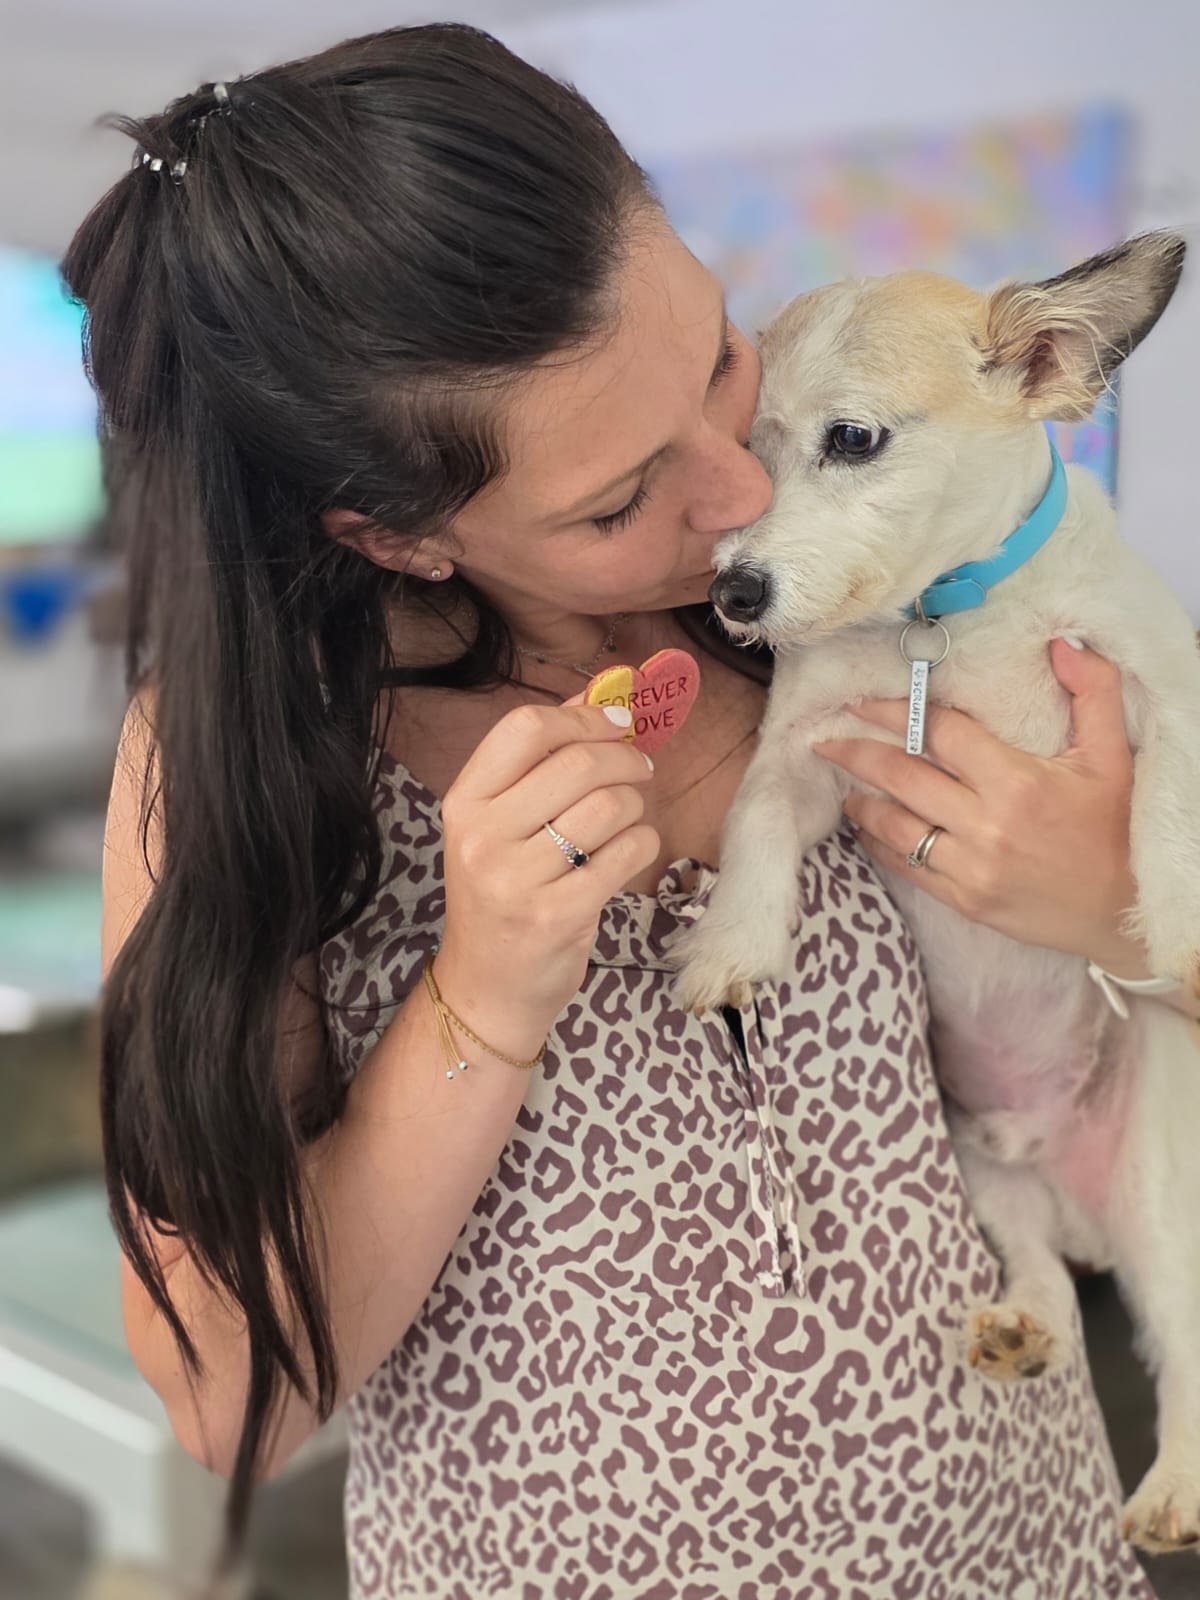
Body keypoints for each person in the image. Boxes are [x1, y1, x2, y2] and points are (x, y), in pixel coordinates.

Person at [73, 22, 1193, 1600]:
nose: (744, 497)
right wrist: (483, 993)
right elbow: (224, 1398)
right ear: (396, 537)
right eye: (616, 499)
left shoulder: (886, 593)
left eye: (722, 361)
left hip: (1037, 1551)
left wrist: (1125, 918)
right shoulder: (239, 767)